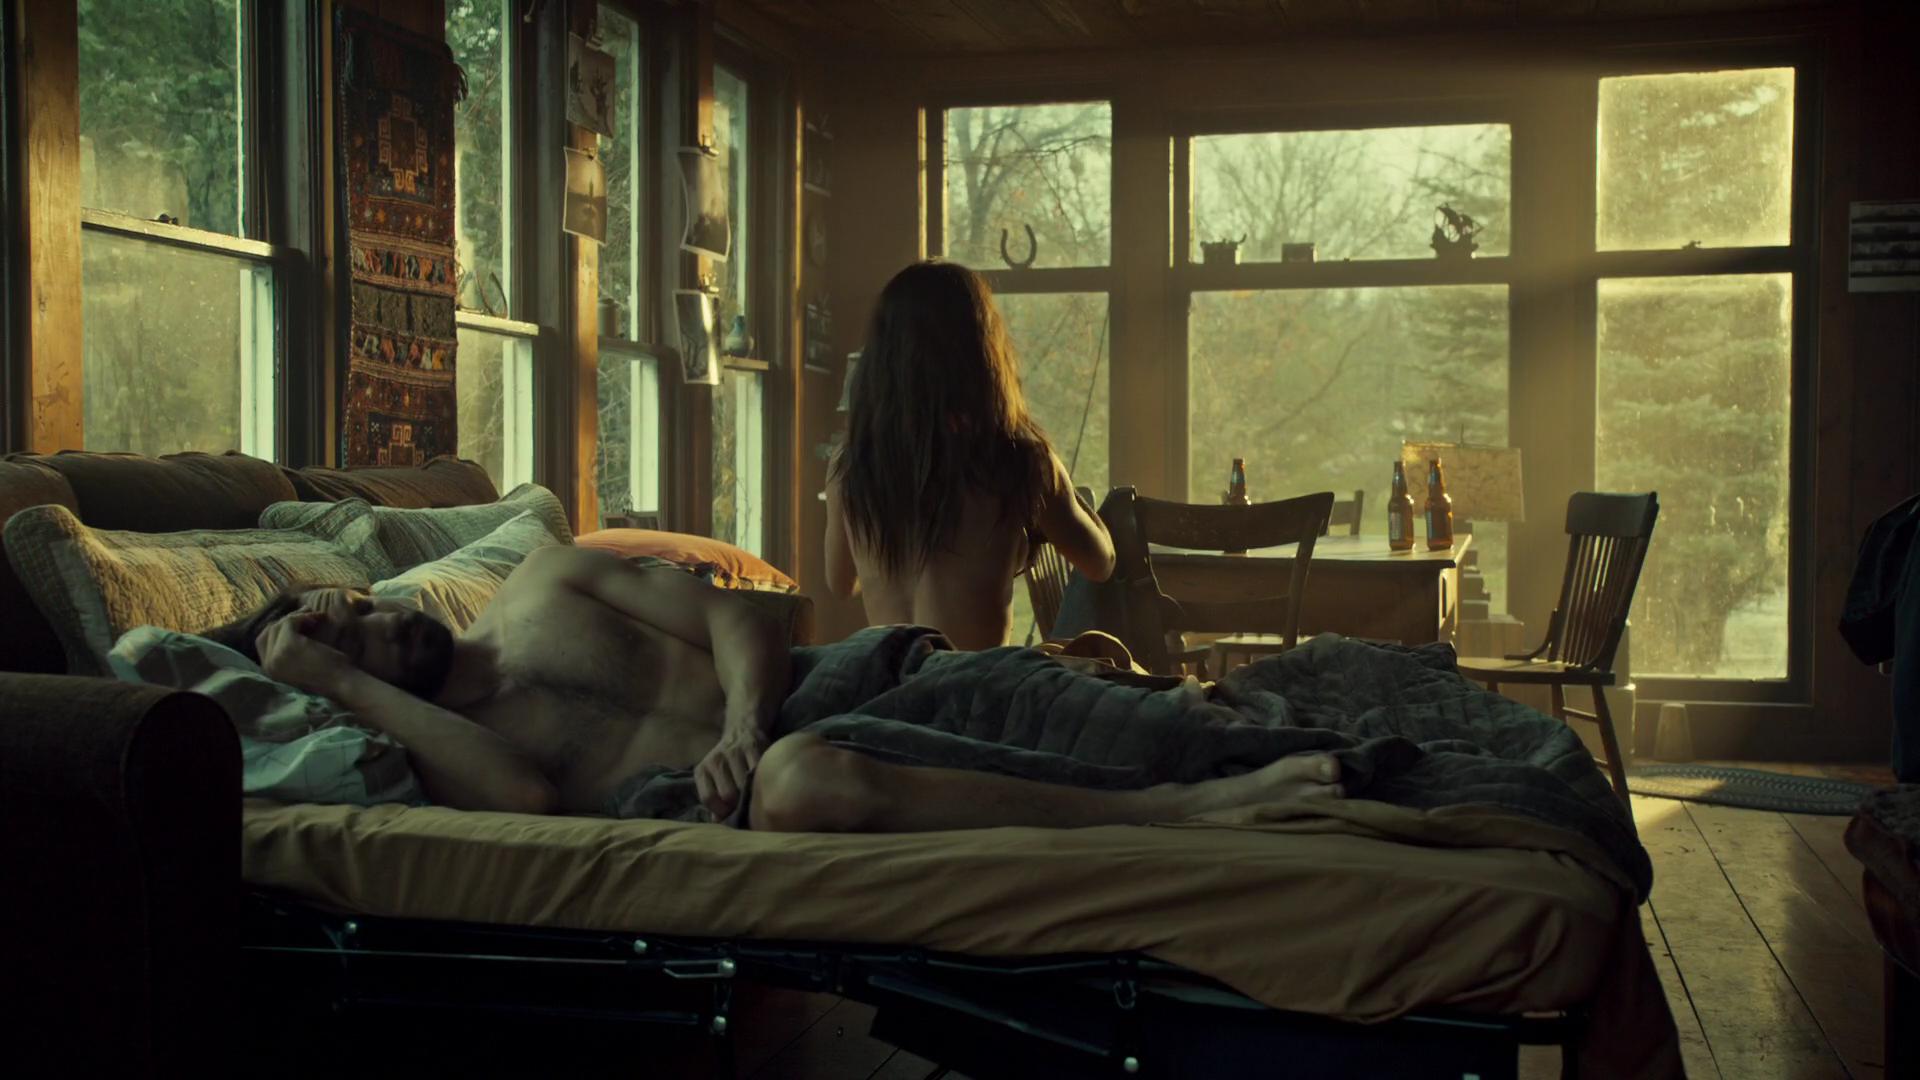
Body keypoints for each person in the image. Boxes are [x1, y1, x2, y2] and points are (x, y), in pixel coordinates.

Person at [222, 546, 1342, 827]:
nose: (377, 623)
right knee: (799, 784)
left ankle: (1220, 760)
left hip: (831, 686)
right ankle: (1183, 815)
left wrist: (746, 724)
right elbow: (526, 800)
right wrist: (336, 680)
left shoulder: (543, 581)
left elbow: (745, 613)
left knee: (1192, 721)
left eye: (360, 604)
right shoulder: (426, 753)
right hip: (775, 786)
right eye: (352, 644)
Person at [825, 261, 1115, 650]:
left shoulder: (850, 464)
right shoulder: (1017, 459)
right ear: (982, 351)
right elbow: (1100, 563)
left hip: (891, 677)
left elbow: (840, 583)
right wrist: (1060, 487)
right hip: (971, 679)